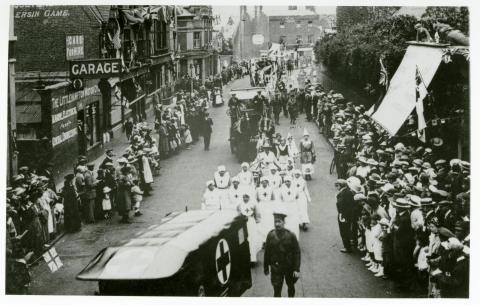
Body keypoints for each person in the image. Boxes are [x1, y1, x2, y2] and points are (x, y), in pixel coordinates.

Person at [264, 211, 301, 297]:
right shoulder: (270, 235)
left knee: (291, 287)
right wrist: (266, 267)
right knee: (277, 290)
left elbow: (297, 252)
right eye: (275, 222)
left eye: (279, 221)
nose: (277, 224)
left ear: (284, 222)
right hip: (276, 267)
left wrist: (296, 269)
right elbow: (267, 252)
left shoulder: (291, 235)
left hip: (289, 267)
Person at [238, 193, 262, 264]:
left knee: (252, 239)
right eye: (244, 197)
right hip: (242, 223)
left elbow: (257, 214)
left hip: (251, 222)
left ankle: (253, 258)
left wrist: (257, 221)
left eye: (247, 197)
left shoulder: (253, 205)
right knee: (243, 239)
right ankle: (244, 258)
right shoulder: (239, 205)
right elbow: (238, 214)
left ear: (249, 197)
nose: (245, 198)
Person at [335, 179, 355, 253]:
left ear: (341, 185)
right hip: (347, 214)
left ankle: (347, 247)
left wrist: (341, 215)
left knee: (344, 231)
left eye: (337, 185)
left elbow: (342, 205)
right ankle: (348, 244)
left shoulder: (343, 193)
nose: (336, 187)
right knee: (347, 230)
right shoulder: (348, 191)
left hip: (344, 215)